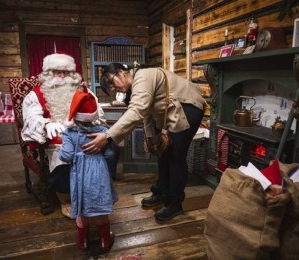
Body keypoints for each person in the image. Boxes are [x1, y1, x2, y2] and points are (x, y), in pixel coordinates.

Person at [82, 63, 205, 221]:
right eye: (110, 88)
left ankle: (175, 204)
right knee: (162, 151)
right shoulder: (136, 85)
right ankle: (161, 192)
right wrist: (151, 139)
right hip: (173, 110)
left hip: (188, 106)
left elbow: (137, 111)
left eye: (112, 82)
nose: (114, 89)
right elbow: (147, 115)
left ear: (121, 72)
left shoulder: (142, 76)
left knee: (176, 157)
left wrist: (107, 136)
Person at [21, 52, 119, 218]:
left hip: (86, 133)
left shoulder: (84, 91)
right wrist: (46, 124)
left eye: (66, 72)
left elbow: (98, 113)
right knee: (64, 158)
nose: (62, 76)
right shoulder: (35, 95)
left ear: (72, 74)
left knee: (111, 151)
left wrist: (91, 125)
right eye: (57, 72)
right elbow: (31, 118)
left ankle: (98, 190)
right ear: (48, 74)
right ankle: (66, 199)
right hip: (57, 140)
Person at [59, 90, 117, 252]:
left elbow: (67, 156)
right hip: (99, 172)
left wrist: (62, 151)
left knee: (81, 207)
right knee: (100, 206)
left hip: (79, 174)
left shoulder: (69, 133)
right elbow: (110, 154)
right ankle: (105, 240)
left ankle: (83, 241)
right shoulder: (103, 132)